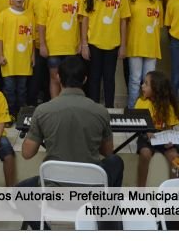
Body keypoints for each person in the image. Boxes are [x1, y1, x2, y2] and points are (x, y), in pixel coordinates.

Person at [18, 55, 124, 230]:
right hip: (91, 195)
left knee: (19, 191)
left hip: (55, 197)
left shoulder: (43, 110)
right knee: (116, 162)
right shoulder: (100, 111)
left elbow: (27, 153)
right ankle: (108, 223)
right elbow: (108, 152)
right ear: (84, 79)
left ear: (58, 77)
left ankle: (44, 231)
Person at [80, 0, 130, 108]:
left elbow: (123, 21)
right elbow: (84, 20)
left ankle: (109, 108)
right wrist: (84, 44)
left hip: (113, 44)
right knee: (94, 78)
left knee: (109, 78)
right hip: (94, 43)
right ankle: (94, 108)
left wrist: (123, 45)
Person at [0, 0, 34, 119]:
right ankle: (9, 114)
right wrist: (0, 55)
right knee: (9, 89)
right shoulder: (3, 15)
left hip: (24, 61)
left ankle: (22, 116)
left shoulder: (30, 15)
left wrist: (33, 56)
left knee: (22, 90)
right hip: (9, 60)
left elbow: (32, 38)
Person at [38, 0, 81, 99]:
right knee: (55, 79)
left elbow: (81, 23)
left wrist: (81, 43)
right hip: (53, 48)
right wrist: (43, 45)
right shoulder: (47, 0)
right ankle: (55, 106)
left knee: (71, 81)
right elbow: (41, 25)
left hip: (72, 48)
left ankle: (69, 106)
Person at [135, 71, 179, 187]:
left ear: (156, 88)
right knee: (145, 153)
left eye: (146, 84)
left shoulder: (168, 106)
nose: (142, 86)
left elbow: (170, 128)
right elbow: (138, 125)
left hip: (162, 136)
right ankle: (140, 190)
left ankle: (172, 191)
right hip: (146, 136)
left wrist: (168, 141)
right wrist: (147, 132)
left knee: (174, 156)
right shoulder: (141, 102)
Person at [125, 0, 163, 108]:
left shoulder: (156, 2)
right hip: (135, 45)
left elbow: (159, 25)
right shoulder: (130, 0)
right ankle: (133, 109)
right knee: (135, 80)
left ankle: (148, 109)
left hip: (151, 47)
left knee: (149, 81)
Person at [26, 0, 55, 105]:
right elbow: (29, 20)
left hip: (55, 45)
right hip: (38, 44)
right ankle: (32, 105)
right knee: (37, 77)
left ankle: (50, 103)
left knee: (52, 78)